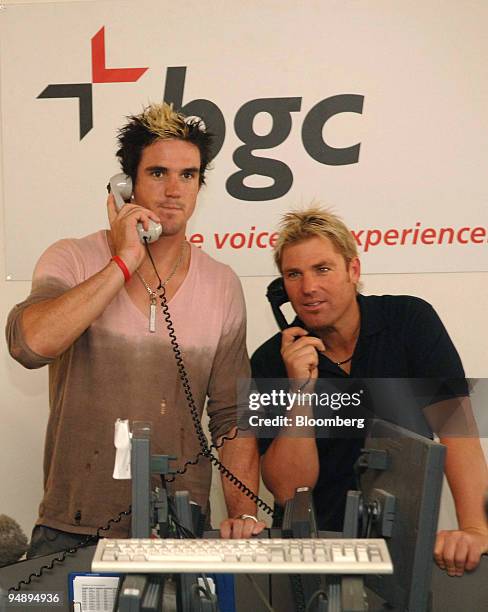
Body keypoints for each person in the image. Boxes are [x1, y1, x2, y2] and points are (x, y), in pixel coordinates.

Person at [5, 102, 264, 557]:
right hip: (73, 525)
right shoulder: (72, 258)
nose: (173, 190)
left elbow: (232, 417)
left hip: (177, 528)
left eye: (188, 176)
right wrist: (122, 262)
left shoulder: (221, 283)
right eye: (158, 173)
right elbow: (30, 344)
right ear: (126, 185)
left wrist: (243, 516)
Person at [251, 206, 488, 576]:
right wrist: (301, 390)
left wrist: (475, 529)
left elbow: (457, 431)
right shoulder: (270, 360)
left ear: (353, 270)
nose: (308, 287)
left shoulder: (411, 321)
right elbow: (287, 490)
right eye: (294, 275)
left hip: (405, 547)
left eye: (322, 269)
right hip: (314, 552)